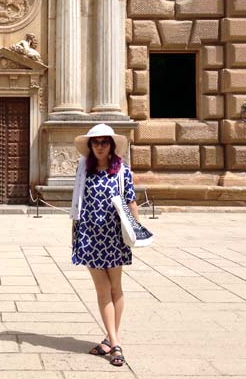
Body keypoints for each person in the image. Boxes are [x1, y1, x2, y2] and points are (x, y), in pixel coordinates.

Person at [70, 123, 140, 367]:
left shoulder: (123, 171)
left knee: (116, 288)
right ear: (90, 146)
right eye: (95, 143)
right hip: (90, 237)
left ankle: (111, 340)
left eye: (104, 142)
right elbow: (78, 203)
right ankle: (115, 342)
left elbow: (131, 202)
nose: (100, 147)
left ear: (111, 146)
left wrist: (137, 230)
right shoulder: (83, 171)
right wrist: (75, 235)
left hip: (115, 237)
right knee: (103, 289)